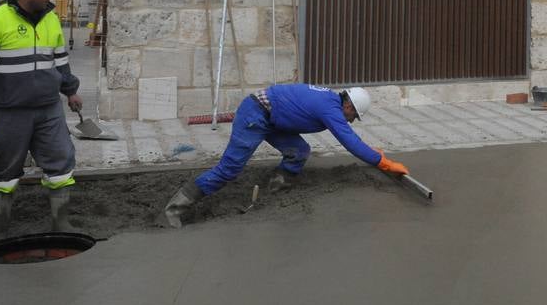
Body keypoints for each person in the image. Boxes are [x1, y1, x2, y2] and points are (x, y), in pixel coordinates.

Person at [163, 84, 409, 227]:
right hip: (256, 114)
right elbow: (351, 143)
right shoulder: (331, 109)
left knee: (299, 151)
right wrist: (384, 163)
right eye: (354, 117)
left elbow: (353, 140)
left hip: (273, 117)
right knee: (229, 169)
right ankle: (174, 210)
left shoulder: (330, 99)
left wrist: (372, 153)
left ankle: (276, 187)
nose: (352, 121)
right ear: (349, 106)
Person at [0, 0, 81, 236]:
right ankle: (1, 229)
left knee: (61, 161)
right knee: (4, 171)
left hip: (47, 108)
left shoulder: (51, 19)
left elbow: (60, 62)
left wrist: (70, 90)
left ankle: (60, 223)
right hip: (8, 111)